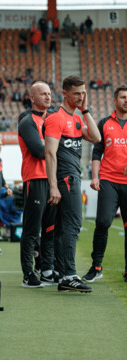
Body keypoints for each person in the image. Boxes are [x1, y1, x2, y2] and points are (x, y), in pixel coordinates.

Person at [44, 75, 101, 293]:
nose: (81, 97)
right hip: (65, 177)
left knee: (63, 227)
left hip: (71, 176)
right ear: (65, 93)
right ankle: (69, 274)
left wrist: (85, 111)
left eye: (83, 93)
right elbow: (49, 153)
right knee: (73, 224)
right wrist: (53, 185)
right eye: (77, 93)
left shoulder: (76, 119)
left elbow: (96, 138)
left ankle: (62, 272)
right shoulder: (56, 118)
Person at [83, 86, 127, 283]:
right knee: (103, 222)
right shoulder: (104, 123)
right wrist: (94, 177)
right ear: (115, 100)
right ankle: (97, 266)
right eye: (123, 97)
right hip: (108, 180)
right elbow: (96, 152)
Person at [18, 82, 57, 288]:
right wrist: (54, 147)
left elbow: (51, 149)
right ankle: (28, 274)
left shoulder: (52, 120)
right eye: (43, 94)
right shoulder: (27, 122)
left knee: (49, 228)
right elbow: (38, 150)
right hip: (34, 179)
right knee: (32, 230)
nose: (48, 97)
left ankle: (47, 269)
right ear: (32, 97)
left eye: (49, 94)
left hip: (52, 179)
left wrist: (50, 147)